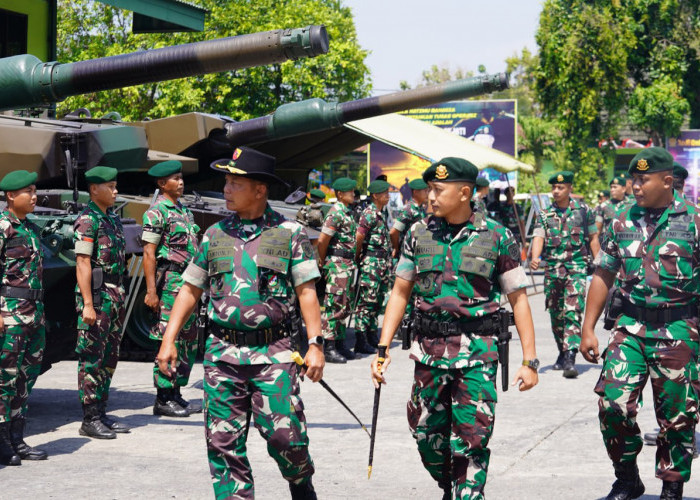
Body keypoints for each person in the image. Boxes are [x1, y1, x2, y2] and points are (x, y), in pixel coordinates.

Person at [155, 146, 324, 500]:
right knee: (223, 444)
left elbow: (307, 291)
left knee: (285, 438)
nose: (226, 190)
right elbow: (189, 289)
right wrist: (168, 340)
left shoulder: (289, 233)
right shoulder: (214, 234)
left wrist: (315, 344)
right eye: (226, 183)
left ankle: (300, 481)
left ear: (260, 190)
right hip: (221, 355)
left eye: (234, 183)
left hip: (273, 352)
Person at [371, 157, 538, 499]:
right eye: (430, 189)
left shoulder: (497, 236)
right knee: (425, 436)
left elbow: (519, 300)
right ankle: (450, 484)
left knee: (471, 440)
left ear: (464, 193)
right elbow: (400, 292)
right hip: (428, 355)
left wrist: (530, 360)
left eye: (437, 190)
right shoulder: (418, 233)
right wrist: (382, 348)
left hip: (478, 355)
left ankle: (466, 492)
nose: (430, 197)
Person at [580, 147, 698, 500]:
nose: (635, 186)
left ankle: (672, 484)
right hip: (630, 327)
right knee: (612, 404)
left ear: (666, 180)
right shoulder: (620, 219)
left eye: (642, 179)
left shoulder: (693, 220)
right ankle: (627, 476)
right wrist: (588, 326)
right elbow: (604, 272)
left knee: (677, 416)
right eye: (633, 179)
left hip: (679, 330)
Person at [73, 166, 130, 439]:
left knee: (109, 356)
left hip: (115, 293)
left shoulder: (113, 220)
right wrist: (87, 304)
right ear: (94, 189)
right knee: (92, 356)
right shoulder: (88, 220)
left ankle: (102, 410)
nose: (115, 190)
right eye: (110, 186)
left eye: (115, 185)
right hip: (97, 295)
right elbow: (83, 262)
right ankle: (90, 417)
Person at [142, 160, 201, 418]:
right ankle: (163, 397)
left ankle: (177, 392)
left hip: (189, 284)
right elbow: (148, 253)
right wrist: (151, 291)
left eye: (181, 177)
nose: (181, 181)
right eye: (175, 178)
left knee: (187, 340)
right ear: (161, 184)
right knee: (170, 337)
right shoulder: (157, 213)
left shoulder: (185, 212)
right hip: (170, 285)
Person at [530, 171, 600, 378]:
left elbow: (593, 237)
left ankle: (570, 357)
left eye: (560, 187)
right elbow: (538, 236)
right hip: (552, 269)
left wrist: (598, 262)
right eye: (553, 187)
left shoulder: (584, 211)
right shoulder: (544, 214)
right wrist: (535, 257)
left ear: (570, 188)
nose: (556, 191)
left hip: (576, 268)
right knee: (556, 314)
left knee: (572, 310)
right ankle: (562, 350)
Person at [0, 171, 47, 466]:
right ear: (9, 196)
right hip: (11, 314)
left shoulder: (29, 228)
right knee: (5, 379)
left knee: (25, 380)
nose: (34, 196)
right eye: (28, 191)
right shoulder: (3, 227)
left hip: (34, 315)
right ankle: (2, 440)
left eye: (34, 190)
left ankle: (17, 437)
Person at [315, 177, 362, 362]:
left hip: (347, 265)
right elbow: (322, 240)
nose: (354, 194)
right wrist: (322, 260)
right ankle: (329, 347)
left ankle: (341, 343)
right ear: (341, 194)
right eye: (350, 192)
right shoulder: (335, 213)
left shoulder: (348, 212)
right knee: (334, 304)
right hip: (337, 264)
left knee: (345, 304)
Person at [355, 180, 393, 350]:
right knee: (366, 301)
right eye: (385, 193)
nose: (388, 195)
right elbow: (359, 237)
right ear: (376, 195)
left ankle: (371, 334)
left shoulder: (381, 213)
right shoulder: (369, 213)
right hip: (371, 263)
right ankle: (360, 339)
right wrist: (357, 257)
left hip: (381, 264)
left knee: (377, 301)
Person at [389, 178, 428, 258]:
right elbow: (393, 232)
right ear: (415, 192)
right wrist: (396, 248)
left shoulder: (421, 208)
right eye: (425, 191)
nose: (427, 194)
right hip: (408, 254)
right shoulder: (408, 210)